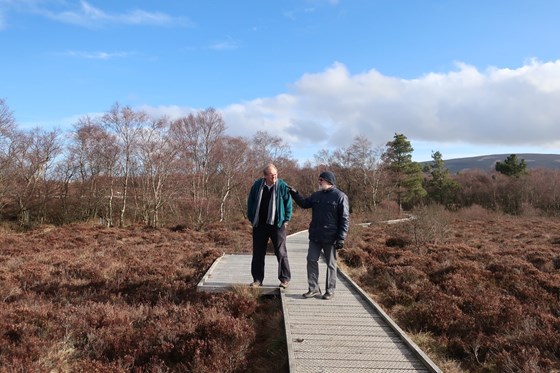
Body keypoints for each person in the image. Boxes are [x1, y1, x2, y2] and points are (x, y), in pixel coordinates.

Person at [289, 171, 349, 300]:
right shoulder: (316, 195)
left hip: (331, 237)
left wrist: (341, 237)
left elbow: (345, 219)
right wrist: (295, 194)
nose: (319, 182)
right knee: (311, 260)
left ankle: (330, 291)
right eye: (319, 180)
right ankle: (313, 289)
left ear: (329, 181)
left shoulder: (340, 196)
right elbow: (304, 204)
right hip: (315, 236)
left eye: (321, 180)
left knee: (331, 264)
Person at [247, 163, 293, 289]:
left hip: (277, 224)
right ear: (265, 176)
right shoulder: (257, 186)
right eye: (272, 175)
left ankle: (284, 279)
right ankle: (257, 279)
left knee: (281, 252)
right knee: (258, 253)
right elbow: (250, 203)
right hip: (259, 224)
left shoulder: (282, 186)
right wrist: (252, 218)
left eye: (276, 175)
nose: (274, 177)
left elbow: (288, 203)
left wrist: (286, 219)